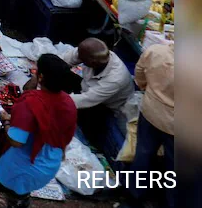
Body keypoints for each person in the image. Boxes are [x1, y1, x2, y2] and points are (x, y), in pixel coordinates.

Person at [0, 54, 79, 208]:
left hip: (25, 167)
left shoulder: (30, 104)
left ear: (40, 76)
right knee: (21, 193)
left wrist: (6, 121)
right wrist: (38, 78)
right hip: (50, 163)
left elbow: (16, 141)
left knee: (16, 194)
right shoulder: (68, 102)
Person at [58, 38, 134, 148]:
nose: (78, 58)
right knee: (60, 74)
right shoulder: (90, 54)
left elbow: (87, 99)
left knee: (88, 120)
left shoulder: (115, 78)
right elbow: (61, 61)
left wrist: (53, 100)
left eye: (82, 59)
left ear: (92, 63)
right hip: (88, 89)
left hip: (106, 106)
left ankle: (91, 143)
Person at [132, 41, 175, 208]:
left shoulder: (155, 51)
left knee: (143, 154)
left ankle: (136, 194)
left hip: (151, 112)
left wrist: (149, 89)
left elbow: (140, 74)